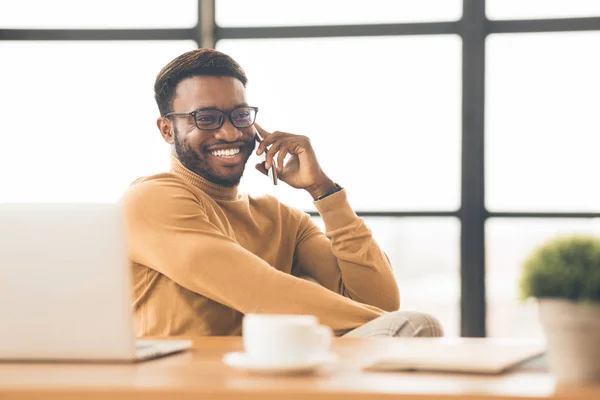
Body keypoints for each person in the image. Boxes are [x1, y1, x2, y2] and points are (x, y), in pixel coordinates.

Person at [122, 48, 443, 338]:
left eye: (240, 115)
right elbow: (256, 289)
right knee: (418, 327)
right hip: (177, 385)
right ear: (167, 130)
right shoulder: (151, 199)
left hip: (265, 380)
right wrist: (393, 329)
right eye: (206, 118)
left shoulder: (280, 218)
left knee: (412, 327)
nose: (230, 132)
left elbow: (379, 302)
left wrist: (323, 191)